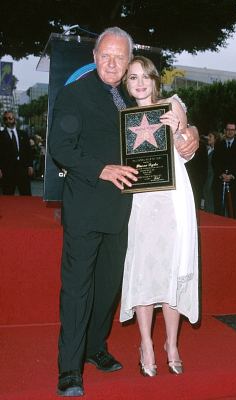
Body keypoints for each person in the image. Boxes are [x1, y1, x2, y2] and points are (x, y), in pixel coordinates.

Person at [49, 27, 199, 397]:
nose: (113, 63)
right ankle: (69, 370)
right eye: (106, 55)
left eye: (120, 57)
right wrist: (101, 169)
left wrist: (190, 130)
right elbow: (60, 146)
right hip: (86, 208)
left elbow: (168, 117)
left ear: (129, 59)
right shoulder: (76, 93)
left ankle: (95, 348)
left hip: (126, 213)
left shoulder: (128, 97)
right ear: (95, 56)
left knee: (108, 288)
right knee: (79, 289)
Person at [120, 56, 199, 377]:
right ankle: (146, 344)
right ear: (126, 84)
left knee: (173, 267)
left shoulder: (172, 104)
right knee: (143, 268)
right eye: (132, 77)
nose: (139, 83)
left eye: (145, 77)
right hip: (140, 200)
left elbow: (188, 150)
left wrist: (181, 130)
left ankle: (171, 343)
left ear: (155, 80)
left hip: (174, 197)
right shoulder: (123, 117)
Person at [212, 122, 236, 218]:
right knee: (218, 209)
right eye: (228, 129)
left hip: (233, 182)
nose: (230, 132)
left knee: (232, 209)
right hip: (219, 180)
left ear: (235, 132)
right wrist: (221, 174)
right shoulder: (218, 144)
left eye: (232, 130)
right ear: (225, 131)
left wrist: (232, 175)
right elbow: (215, 161)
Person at [0, 111, 33, 195]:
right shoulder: (1, 136)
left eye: (10, 118)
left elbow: (28, 151)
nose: (8, 120)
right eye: (5, 118)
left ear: (15, 119)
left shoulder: (23, 134)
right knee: (8, 196)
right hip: (7, 170)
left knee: (26, 195)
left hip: (23, 169)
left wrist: (30, 165)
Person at [203, 131, 220, 212]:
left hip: (212, 177)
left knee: (210, 197)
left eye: (210, 136)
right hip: (207, 176)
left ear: (215, 139)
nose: (208, 138)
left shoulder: (217, 151)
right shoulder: (209, 149)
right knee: (206, 195)